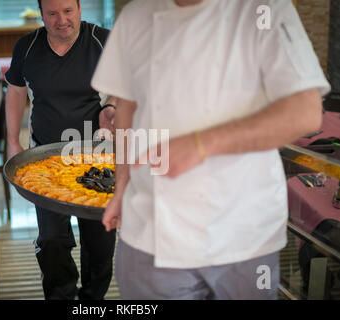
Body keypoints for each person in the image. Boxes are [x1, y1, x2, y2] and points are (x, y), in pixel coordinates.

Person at [91, 0, 331, 299]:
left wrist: (200, 144)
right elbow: (127, 107)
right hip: (150, 230)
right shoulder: (136, 15)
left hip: (243, 232)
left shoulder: (265, 8)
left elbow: (304, 111)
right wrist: (122, 185)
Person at [5, 0, 117, 300]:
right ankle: (61, 297)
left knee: (102, 243)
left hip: (97, 159)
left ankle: (92, 300)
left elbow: (121, 88)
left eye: (68, 11)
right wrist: (13, 140)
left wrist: (111, 108)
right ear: (41, 14)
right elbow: (15, 92)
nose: (61, 20)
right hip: (43, 163)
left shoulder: (103, 41)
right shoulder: (26, 47)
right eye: (52, 13)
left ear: (80, 8)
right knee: (53, 240)